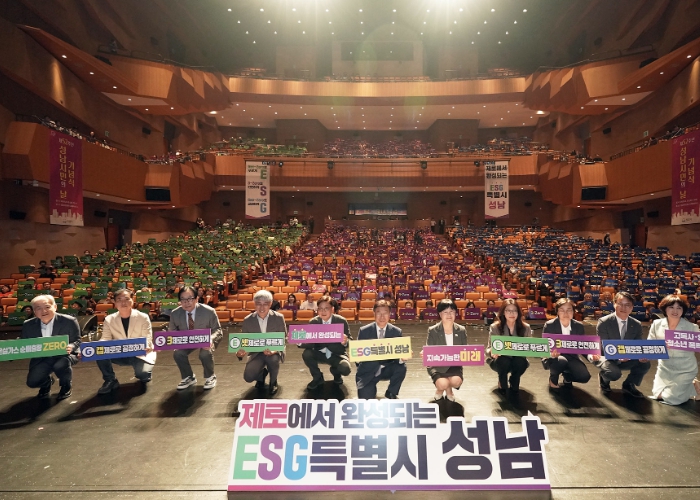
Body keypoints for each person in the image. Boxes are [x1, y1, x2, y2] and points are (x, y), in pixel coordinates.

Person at [95, 288, 156, 394]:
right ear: (114, 303)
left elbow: (147, 337)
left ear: (133, 301)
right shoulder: (109, 319)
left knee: (142, 375)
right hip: (120, 353)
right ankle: (110, 380)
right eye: (119, 300)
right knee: (99, 351)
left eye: (127, 299)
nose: (123, 302)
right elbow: (105, 338)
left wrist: (147, 346)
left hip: (140, 353)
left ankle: (146, 373)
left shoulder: (143, 317)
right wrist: (93, 348)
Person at [591, 291, 650, 398]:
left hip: (627, 357)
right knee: (613, 373)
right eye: (620, 304)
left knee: (645, 364)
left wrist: (640, 355)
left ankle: (629, 384)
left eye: (627, 305)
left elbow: (637, 345)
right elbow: (603, 346)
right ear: (614, 304)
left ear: (632, 307)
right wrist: (618, 356)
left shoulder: (636, 324)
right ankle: (604, 379)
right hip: (606, 356)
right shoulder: (604, 322)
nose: (623, 308)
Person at [21, 295, 80, 400]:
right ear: (34, 311)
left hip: (65, 354)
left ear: (55, 307)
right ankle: (46, 382)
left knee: (61, 364)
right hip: (42, 357)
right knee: (32, 382)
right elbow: (24, 343)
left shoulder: (69, 321)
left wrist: (71, 346)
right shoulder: (28, 325)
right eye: (38, 308)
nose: (44, 311)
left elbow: (77, 340)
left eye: (47, 307)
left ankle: (66, 385)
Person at [647, 295, 699, 404]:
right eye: (671, 307)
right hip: (665, 368)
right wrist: (660, 345)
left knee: (671, 398)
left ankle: (689, 383)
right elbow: (649, 345)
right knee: (658, 395)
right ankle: (691, 385)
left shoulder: (692, 327)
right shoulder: (656, 324)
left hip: (685, 369)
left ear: (683, 310)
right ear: (665, 308)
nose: (675, 311)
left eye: (679, 308)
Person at [169, 286, 223, 390]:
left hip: (205, 339)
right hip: (186, 340)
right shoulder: (175, 313)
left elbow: (218, 330)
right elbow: (172, 331)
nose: (186, 302)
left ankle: (210, 376)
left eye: (189, 299)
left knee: (204, 353)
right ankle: (188, 377)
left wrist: (211, 339)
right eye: (183, 299)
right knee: (178, 353)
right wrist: (169, 341)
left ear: (197, 299)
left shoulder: (209, 311)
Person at [237, 290, 287, 395]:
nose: (262, 307)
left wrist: (274, 350)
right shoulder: (248, 320)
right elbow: (244, 342)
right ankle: (261, 375)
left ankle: (273, 382)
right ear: (254, 304)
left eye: (265, 304)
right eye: (259, 304)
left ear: (270, 304)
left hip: (273, 351)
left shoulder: (278, 318)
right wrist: (240, 352)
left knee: (273, 360)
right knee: (248, 377)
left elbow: (283, 338)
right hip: (256, 352)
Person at [355, 300, 408, 399]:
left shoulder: (396, 332)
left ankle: (391, 391)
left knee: (401, 367)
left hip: (387, 367)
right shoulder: (364, 331)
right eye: (379, 313)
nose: (382, 317)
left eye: (385, 313)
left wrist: (402, 358)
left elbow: (398, 356)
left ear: (390, 314)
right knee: (365, 399)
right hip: (369, 369)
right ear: (374, 314)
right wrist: (357, 358)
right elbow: (358, 357)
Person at [300, 296, 352, 390]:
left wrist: (345, 342)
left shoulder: (341, 321)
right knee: (307, 354)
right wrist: (300, 342)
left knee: (345, 368)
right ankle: (317, 377)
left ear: (332, 309)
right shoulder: (313, 322)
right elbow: (310, 343)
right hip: (319, 353)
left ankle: (336, 373)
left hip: (337, 354)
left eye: (326, 308)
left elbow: (350, 342)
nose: (323, 311)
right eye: (320, 309)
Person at [424, 299, 468, 401]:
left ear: (455, 313)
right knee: (442, 384)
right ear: (440, 314)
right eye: (445, 312)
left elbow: (465, 348)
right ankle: (443, 389)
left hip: (454, 365)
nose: (449, 315)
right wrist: (425, 353)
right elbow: (429, 349)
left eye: (452, 311)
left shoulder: (461, 330)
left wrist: (475, 354)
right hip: (437, 365)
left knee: (456, 382)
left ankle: (447, 388)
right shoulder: (433, 330)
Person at [542, 298, 591, 389]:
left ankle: (567, 376)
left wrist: (591, 356)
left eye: (569, 310)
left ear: (573, 311)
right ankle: (553, 378)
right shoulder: (549, 325)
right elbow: (544, 347)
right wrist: (550, 354)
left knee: (584, 377)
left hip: (572, 356)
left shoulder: (578, 326)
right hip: (554, 357)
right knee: (561, 361)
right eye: (562, 310)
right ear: (557, 312)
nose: (566, 313)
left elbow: (582, 346)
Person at [486, 298, 532, 393]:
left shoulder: (526, 327)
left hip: (518, 360)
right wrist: (492, 352)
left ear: (518, 313)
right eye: (508, 311)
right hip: (500, 361)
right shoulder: (495, 327)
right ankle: (502, 381)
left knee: (520, 361)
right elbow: (488, 349)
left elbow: (530, 347)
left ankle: (514, 381)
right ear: (503, 312)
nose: (512, 313)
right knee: (504, 360)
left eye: (514, 311)